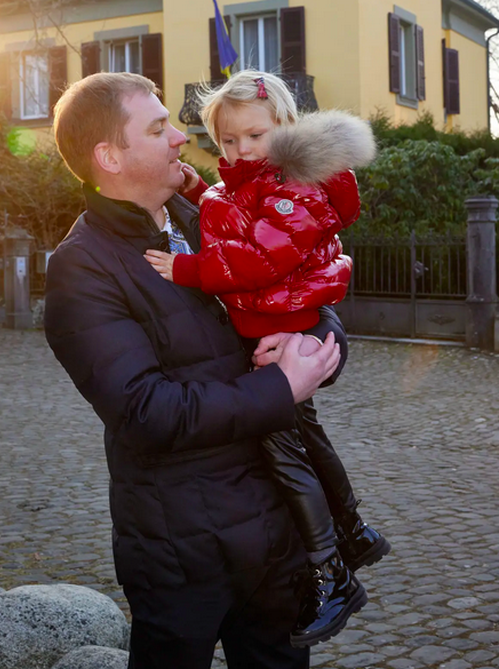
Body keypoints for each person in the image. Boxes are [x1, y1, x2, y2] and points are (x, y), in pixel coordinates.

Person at [44, 71, 347, 669]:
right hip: (181, 552)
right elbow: (146, 412)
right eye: (159, 128)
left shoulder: (206, 212)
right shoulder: (81, 271)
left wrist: (314, 341)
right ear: (110, 155)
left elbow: (303, 294)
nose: (182, 138)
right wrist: (282, 385)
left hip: (273, 531)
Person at [144, 70, 390, 647]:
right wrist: (195, 189)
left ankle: (333, 571)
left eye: (254, 136)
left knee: (285, 455)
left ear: (284, 127)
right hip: (274, 323)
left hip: (284, 321)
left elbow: (260, 258)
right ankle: (353, 532)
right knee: (307, 436)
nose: (241, 149)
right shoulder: (254, 184)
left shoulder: (298, 186)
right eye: (228, 141)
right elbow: (237, 215)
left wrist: (187, 268)